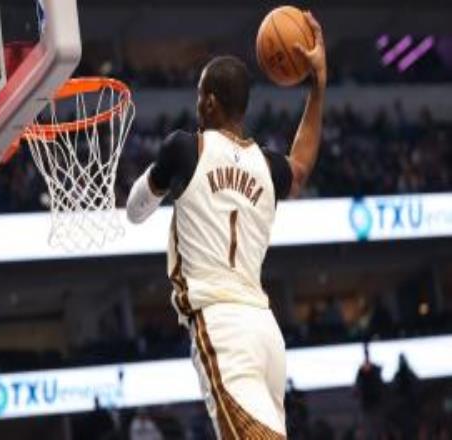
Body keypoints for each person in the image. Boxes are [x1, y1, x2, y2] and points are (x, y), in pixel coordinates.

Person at [126, 11, 326, 439]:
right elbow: (302, 167)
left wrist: (156, 178)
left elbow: (135, 211)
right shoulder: (268, 166)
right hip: (265, 331)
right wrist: (318, 85)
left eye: (200, 94)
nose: (197, 103)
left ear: (211, 102)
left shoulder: (184, 148)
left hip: (223, 328)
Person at [354, 344, 385, 440]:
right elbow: (358, 385)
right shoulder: (362, 370)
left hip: (374, 402)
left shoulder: (374, 369)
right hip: (367, 403)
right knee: (369, 425)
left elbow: (379, 384)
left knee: (376, 425)